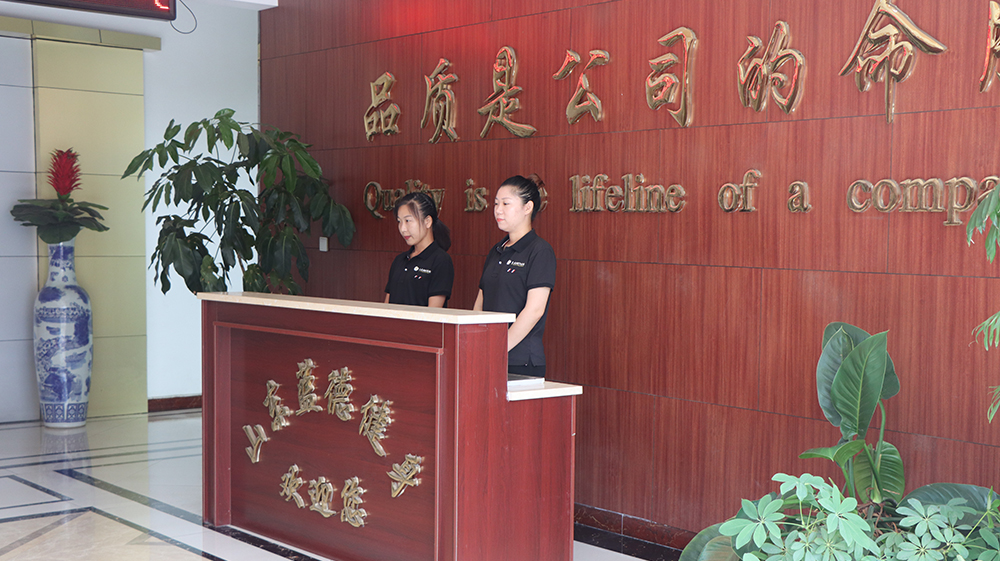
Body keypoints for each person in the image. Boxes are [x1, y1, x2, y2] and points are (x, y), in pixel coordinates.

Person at [474, 174, 555, 378]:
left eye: (506, 203)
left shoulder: (540, 251)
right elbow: (480, 302)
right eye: (496, 204)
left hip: (521, 361)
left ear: (528, 207)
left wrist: (499, 348)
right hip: (487, 355)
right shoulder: (497, 250)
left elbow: (535, 310)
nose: (498, 210)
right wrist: (478, 345)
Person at [384, 192, 454, 307]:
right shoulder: (399, 260)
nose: (402, 229)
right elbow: (386, 307)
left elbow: (434, 312)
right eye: (399, 221)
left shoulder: (441, 260)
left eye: (408, 221)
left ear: (427, 221)